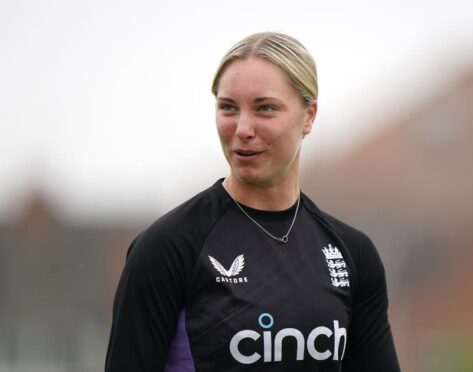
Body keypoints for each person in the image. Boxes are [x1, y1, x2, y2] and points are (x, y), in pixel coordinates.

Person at [105, 32, 401, 372]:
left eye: (265, 108)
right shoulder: (168, 248)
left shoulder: (353, 254)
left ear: (309, 116)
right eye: (229, 107)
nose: (243, 128)